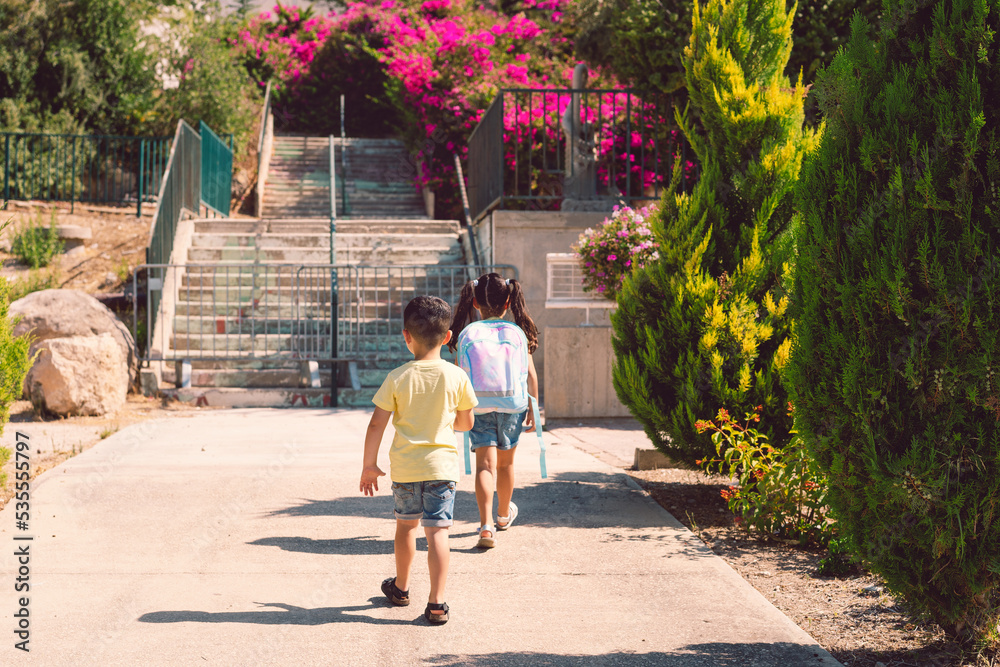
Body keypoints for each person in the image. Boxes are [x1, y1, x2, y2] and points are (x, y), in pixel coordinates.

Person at [360, 295, 478, 625]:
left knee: (406, 528)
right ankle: (437, 603)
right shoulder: (457, 377)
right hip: (442, 467)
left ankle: (400, 588)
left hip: (406, 468)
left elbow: (376, 424)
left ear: (406, 336)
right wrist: (443, 421)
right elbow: (467, 423)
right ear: (448, 337)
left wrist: (369, 465)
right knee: (438, 533)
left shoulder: (397, 377)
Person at [448, 273, 539, 549]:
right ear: (509, 300)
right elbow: (531, 376)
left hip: (478, 406)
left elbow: (459, 377)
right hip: (512, 404)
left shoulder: (467, 334)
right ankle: (502, 515)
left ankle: (486, 525)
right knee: (506, 464)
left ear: (474, 303)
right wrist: (533, 407)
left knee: (484, 466)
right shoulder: (517, 333)